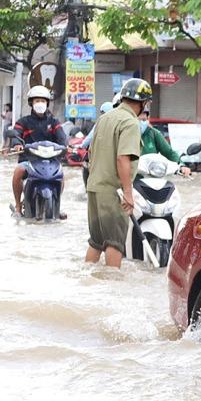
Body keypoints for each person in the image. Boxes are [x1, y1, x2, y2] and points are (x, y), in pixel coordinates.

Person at [85, 78, 151, 269]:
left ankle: (89, 281)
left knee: (96, 242)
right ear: (142, 103)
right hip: (113, 192)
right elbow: (123, 158)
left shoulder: (104, 118)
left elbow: (91, 154)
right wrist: (128, 193)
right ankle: (111, 287)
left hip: (94, 188)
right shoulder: (130, 123)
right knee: (114, 242)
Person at [10, 86, 69, 218]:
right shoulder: (23, 122)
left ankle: (57, 205)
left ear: (47, 103)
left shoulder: (54, 122)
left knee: (61, 175)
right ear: (31, 103)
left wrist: (65, 146)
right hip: (29, 160)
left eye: (42, 101)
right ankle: (18, 208)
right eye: (37, 101)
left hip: (51, 161)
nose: (40, 104)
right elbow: (16, 135)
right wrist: (17, 145)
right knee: (18, 171)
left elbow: (62, 138)